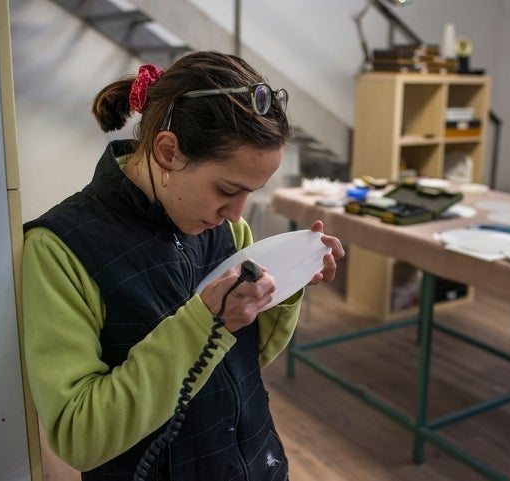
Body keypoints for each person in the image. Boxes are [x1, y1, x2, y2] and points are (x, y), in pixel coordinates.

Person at [22, 50, 345, 481]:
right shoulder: (59, 249)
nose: (236, 213)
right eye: (227, 189)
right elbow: (79, 437)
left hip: (257, 464)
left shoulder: (229, 231)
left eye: (251, 192)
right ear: (168, 151)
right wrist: (202, 323)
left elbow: (245, 363)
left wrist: (288, 283)